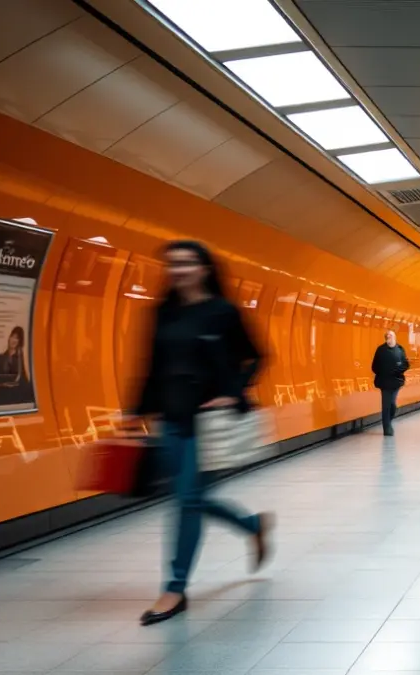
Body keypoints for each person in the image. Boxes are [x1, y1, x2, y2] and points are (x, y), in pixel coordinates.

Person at [130, 240, 273, 626]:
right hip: (171, 419)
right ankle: (253, 526)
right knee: (188, 498)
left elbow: (258, 355)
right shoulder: (162, 313)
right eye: (172, 264)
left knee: (186, 501)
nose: (178, 270)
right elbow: (151, 365)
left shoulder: (222, 312)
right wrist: (133, 412)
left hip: (208, 424)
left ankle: (174, 588)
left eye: (186, 263)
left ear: (204, 268)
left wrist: (232, 392)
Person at [372, 330, 409, 436]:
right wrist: (383, 372)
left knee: (392, 404)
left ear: (395, 337)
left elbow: (406, 364)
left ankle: (389, 420)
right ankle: (387, 428)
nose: (389, 337)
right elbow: (374, 366)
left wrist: (397, 370)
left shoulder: (400, 349)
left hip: (396, 382)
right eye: (387, 336)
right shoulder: (380, 350)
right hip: (384, 382)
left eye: (391, 335)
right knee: (386, 405)